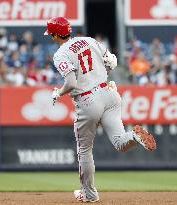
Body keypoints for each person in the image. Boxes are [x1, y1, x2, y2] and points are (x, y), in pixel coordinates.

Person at [44, 17, 157, 203]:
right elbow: (112, 62)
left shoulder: (60, 53)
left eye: (51, 34)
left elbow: (71, 83)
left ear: (56, 34)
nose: (51, 38)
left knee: (85, 150)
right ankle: (135, 137)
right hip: (109, 92)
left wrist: (59, 93)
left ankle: (89, 194)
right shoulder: (89, 40)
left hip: (87, 99)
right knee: (120, 141)